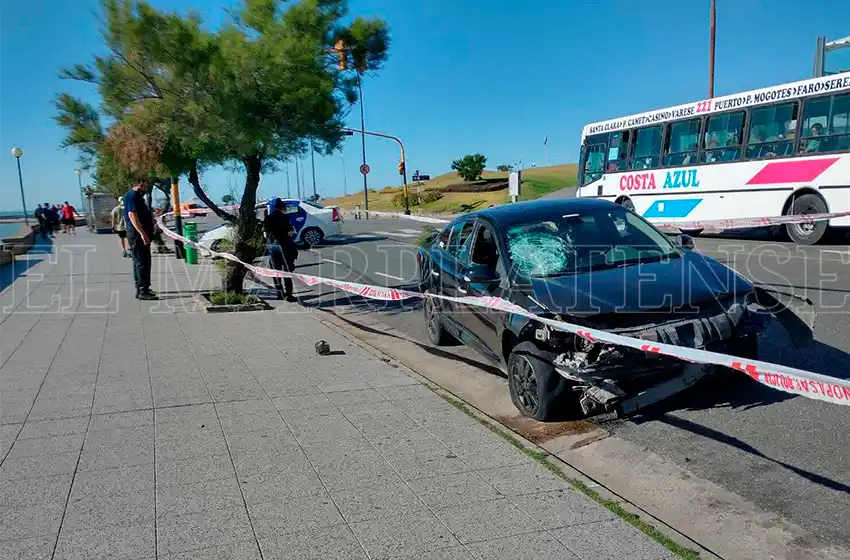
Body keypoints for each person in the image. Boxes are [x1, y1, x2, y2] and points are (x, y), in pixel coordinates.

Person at [124, 181, 157, 300]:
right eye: (143, 186)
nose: (145, 188)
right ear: (136, 185)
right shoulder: (132, 196)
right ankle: (143, 290)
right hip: (137, 234)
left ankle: (141, 288)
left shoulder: (136, 196)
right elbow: (132, 215)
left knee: (139, 261)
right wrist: (142, 233)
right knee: (142, 261)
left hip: (138, 233)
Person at [263, 198, 298, 302]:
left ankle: (280, 293)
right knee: (287, 272)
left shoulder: (268, 218)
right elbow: (290, 233)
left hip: (273, 246)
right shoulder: (285, 217)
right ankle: (289, 295)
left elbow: (265, 234)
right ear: (282, 207)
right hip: (284, 246)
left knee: (276, 272)